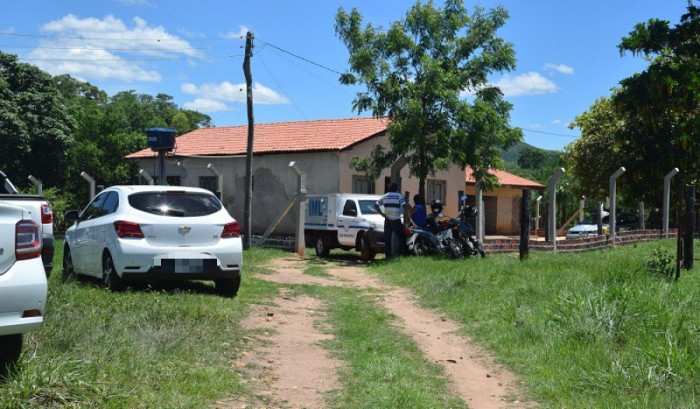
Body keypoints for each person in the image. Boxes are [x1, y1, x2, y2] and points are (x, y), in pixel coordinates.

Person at [374, 183, 411, 258]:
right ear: (397, 189)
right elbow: (405, 207)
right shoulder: (398, 196)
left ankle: (388, 256)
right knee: (402, 237)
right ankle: (398, 254)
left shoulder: (385, 196)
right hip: (396, 220)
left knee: (387, 239)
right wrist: (409, 217)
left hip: (387, 220)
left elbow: (376, 205)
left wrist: (382, 214)